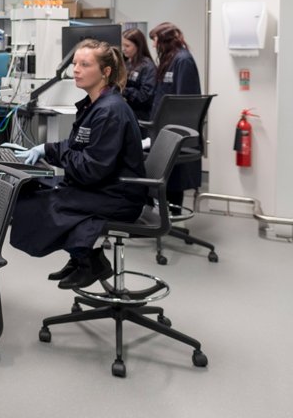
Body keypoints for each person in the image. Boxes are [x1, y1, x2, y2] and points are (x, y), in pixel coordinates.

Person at [10, 39, 147, 289]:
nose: (75, 70)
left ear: (105, 72)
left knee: (44, 200)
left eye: (85, 64)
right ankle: (82, 257)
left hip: (119, 196)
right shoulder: (96, 105)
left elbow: (90, 168)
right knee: (36, 189)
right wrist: (47, 149)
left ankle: (88, 259)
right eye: (74, 64)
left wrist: (53, 154)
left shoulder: (110, 111)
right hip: (106, 186)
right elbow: (78, 148)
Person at [149, 21, 202, 208]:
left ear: (165, 39)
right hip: (162, 128)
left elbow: (184, 103)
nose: (154, 45)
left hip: (174, 132)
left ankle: (172, 216)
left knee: (173, 178)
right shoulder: (170, 60)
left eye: (155, 40)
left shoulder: (183, 60)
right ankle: (163, 215)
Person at [121, 27, 156, 122]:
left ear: (138, 46)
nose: (123, 49)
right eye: (122, 46)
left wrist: (123, 90)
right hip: (128, 113)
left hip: (141, 117)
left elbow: (144, 97)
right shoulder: (126, 63)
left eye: (127, 46)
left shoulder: (148, 66)